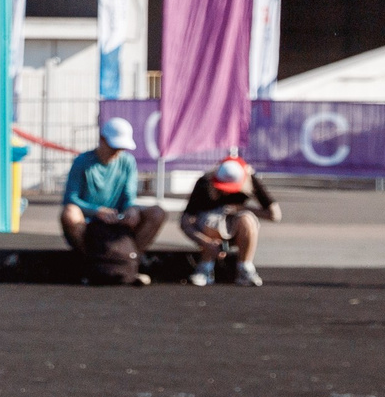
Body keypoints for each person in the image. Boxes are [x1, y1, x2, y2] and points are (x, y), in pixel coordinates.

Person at [59, 116, 165, 286]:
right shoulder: (82, 162)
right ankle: (94, 264)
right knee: (70, 213)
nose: (117, 152)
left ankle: (128, 263)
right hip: (90, 223)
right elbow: (70, 199)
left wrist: (131, 209)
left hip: (118, 221)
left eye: (121, 148)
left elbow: (129, 196)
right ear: (102, 139)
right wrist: (97, 211)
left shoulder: (127, 162)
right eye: (114, 147)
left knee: (157, 212)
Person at [181, 155, 278, 288]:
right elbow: (185, 222)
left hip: (235, 225)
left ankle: (245, 266)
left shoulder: (250, 180)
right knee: (211, 220)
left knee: (247, 219)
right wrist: (205, 242)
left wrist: (242, 208)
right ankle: (206, 266)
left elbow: (275, 215)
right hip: (209, 230)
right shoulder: (204, 183)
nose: (226, 193)